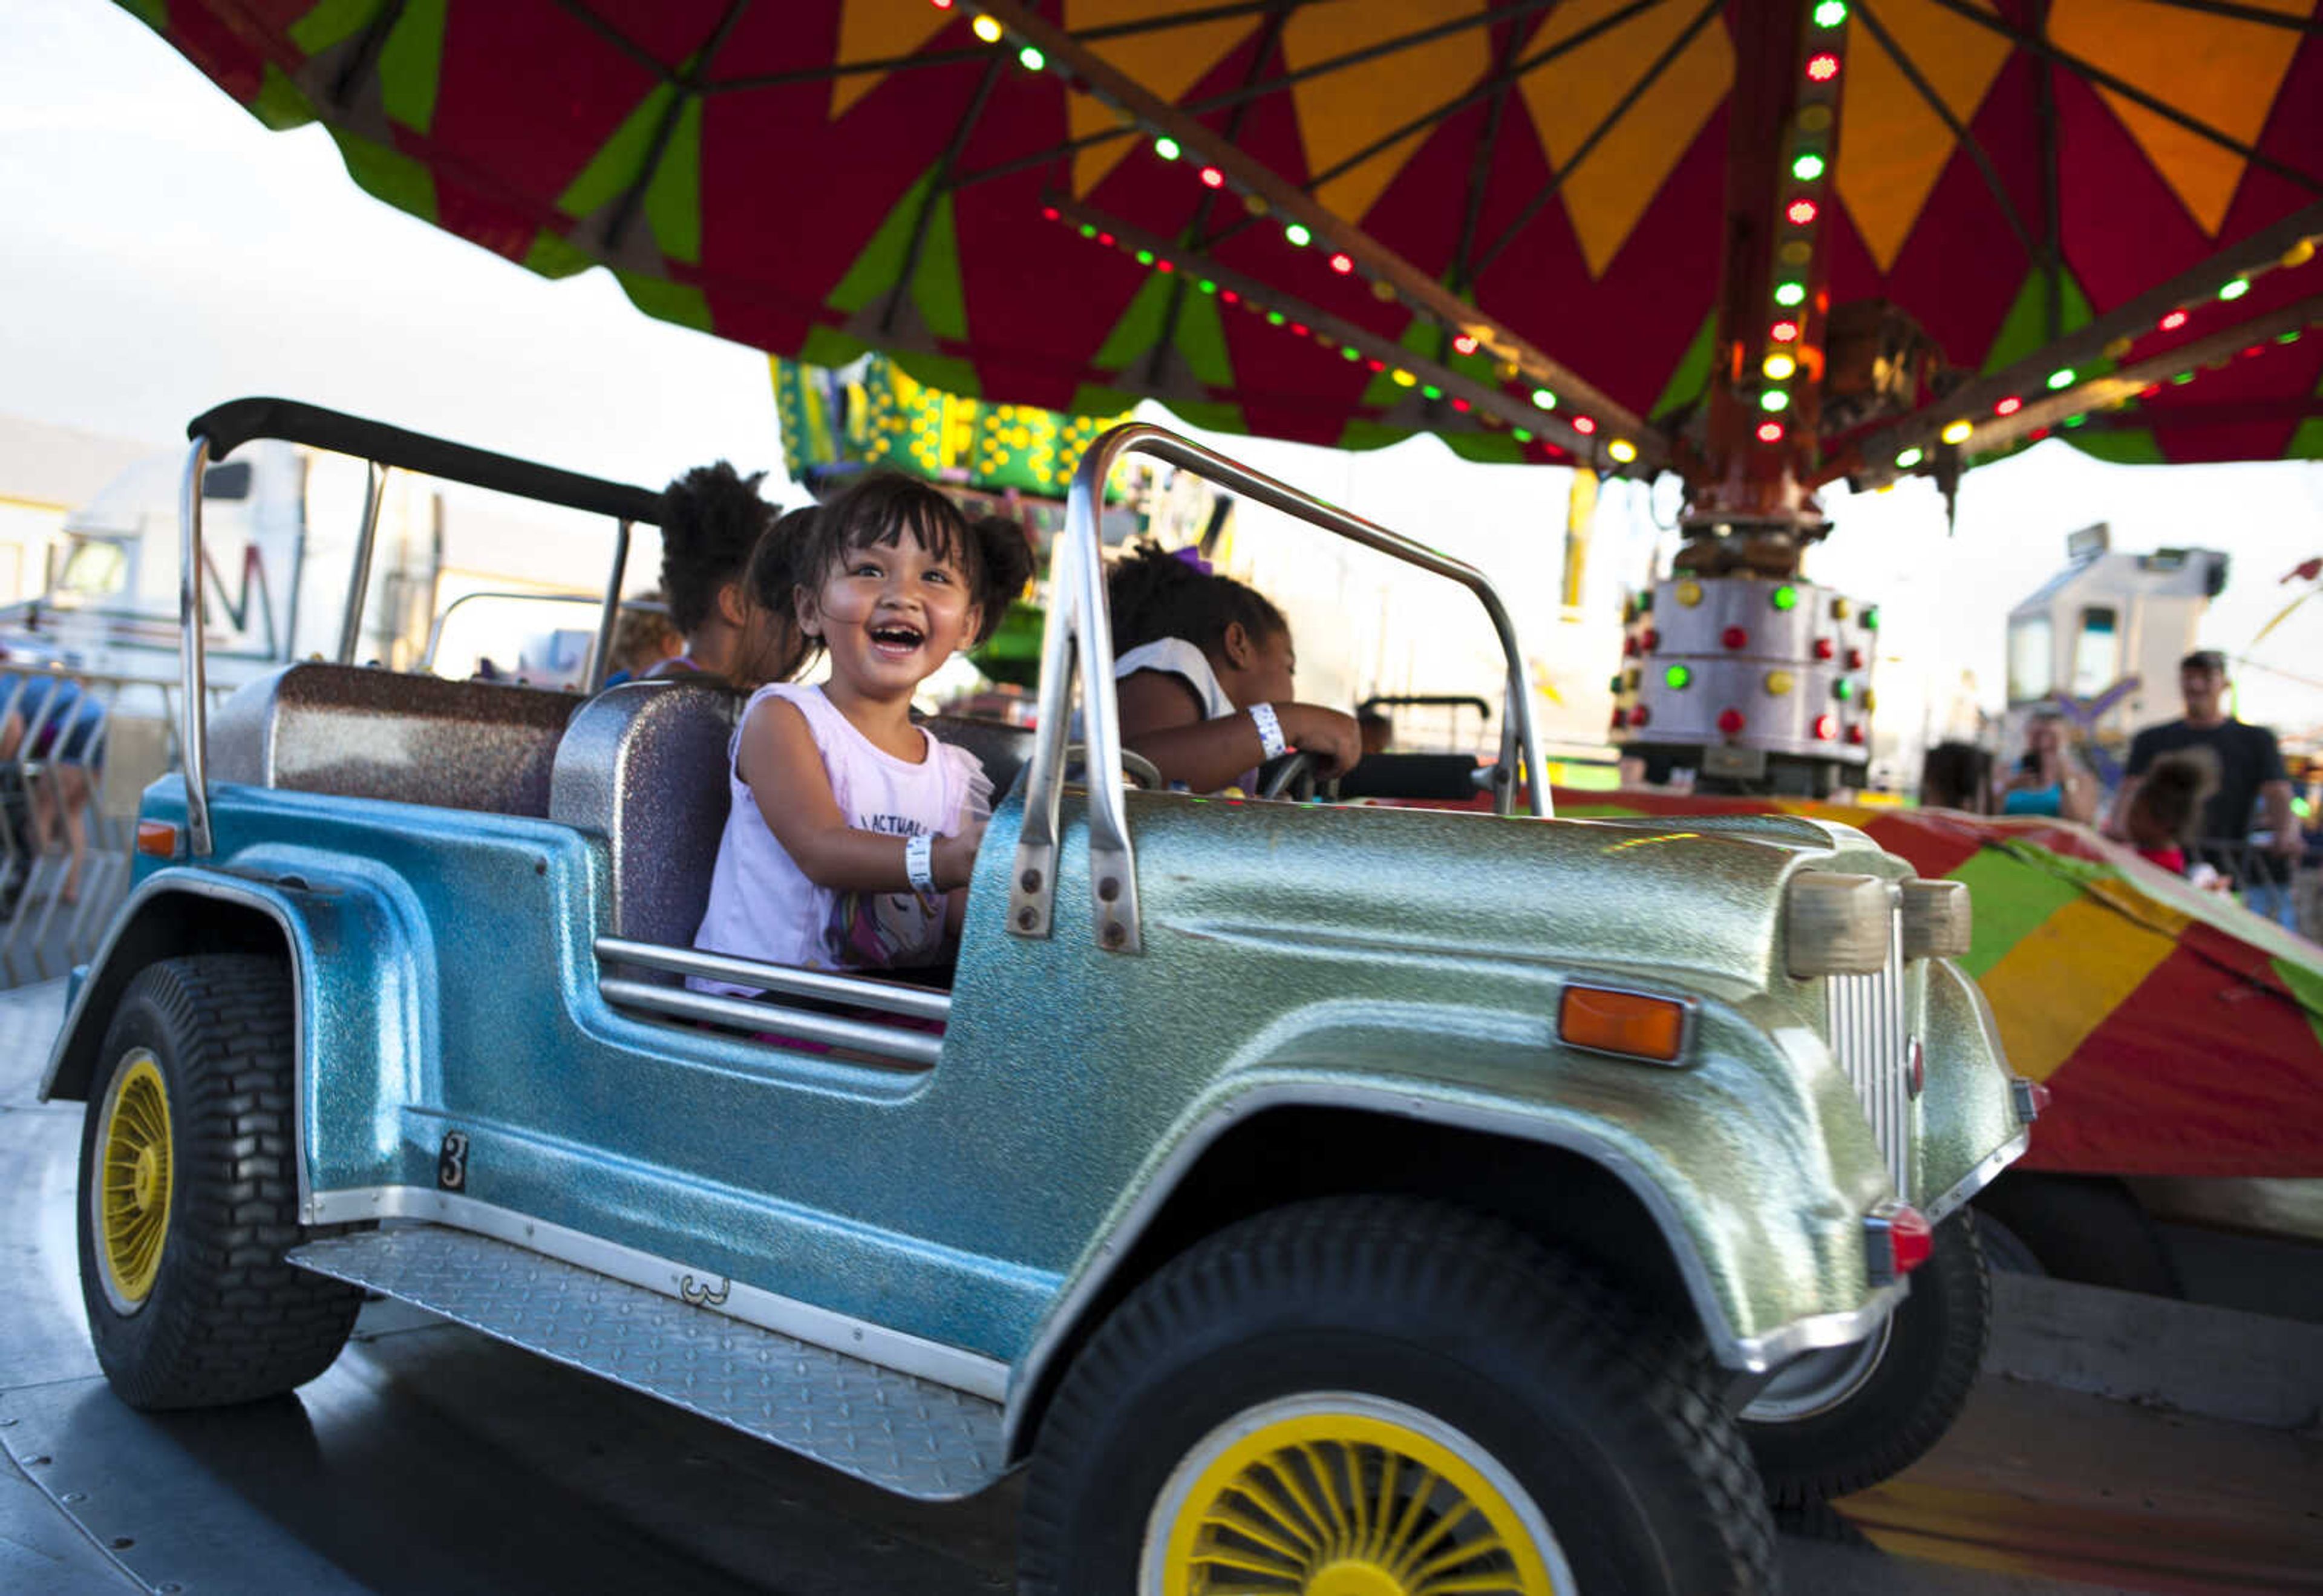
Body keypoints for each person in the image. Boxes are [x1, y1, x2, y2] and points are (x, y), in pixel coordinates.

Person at [690, 474, 1023, 989]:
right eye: (869, 570)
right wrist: (942, 859)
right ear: (809, 609)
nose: (901, 596)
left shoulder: (954, 774)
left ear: (968, 625)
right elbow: (821, 850)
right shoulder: (784, 719)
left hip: (879, 1016)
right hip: (762, 1008)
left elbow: (963, 914)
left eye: (934, 577)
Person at [1106, 542, 1361, 794]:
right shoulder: (1173, 659)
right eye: (1289, 667)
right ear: (1238, 645)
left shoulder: (1217, 730)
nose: (1292, 688)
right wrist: (1289, 722)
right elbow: (1137, 772)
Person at [2109, 650, 2302, 922]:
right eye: (2189, 677)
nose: (2196, 685)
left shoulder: (2256, 740)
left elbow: (2278, 791)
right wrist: (2120, 827)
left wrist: (2287, 833)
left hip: (2230, 868)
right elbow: (2130, 788)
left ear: (2223, 683)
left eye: (2206, 677)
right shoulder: (2153, 739)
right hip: (2162, 862)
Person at [649, 460, 778, 681]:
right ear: (737, 605)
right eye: (779, 604)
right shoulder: (679, 695)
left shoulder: (734, 691)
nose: (799, 629)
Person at [2122, 748, 2217, 877]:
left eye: (2136, 815)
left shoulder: (2164, 868)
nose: (2129, 820)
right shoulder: (2145, 852)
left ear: (2166, 822)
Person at [1996, 711, 2097, 822]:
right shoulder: (2005, 771)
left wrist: (2066, 783)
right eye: (2037, 736)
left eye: (2053, 737)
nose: (2044, 744)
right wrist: (2006, 789)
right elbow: (1988, 816)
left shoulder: (2081, 777)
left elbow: (2081, 821)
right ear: (2026, 735)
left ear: (2065, 739)